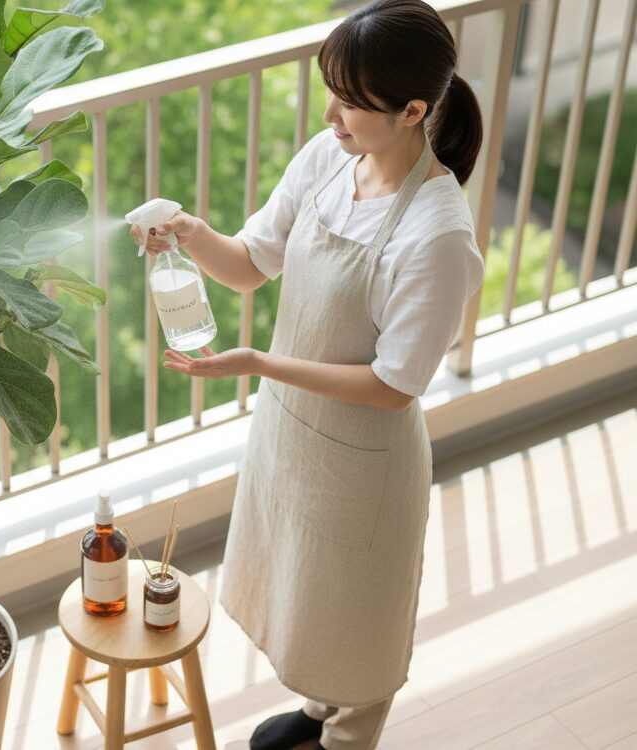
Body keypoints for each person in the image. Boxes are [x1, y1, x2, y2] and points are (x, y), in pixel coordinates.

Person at [129, 1, 486, 747]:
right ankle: (318, 711)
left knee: (358, 623)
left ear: (413, 109)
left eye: (351, 102)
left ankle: (347, 731)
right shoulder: (329, 161)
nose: (331, 113)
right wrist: (190, 233)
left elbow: (395, 386)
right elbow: (251, 265)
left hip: (366, 464)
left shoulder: (437, 233)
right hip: (294, 437)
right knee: (308, 596)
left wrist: (257, 363)